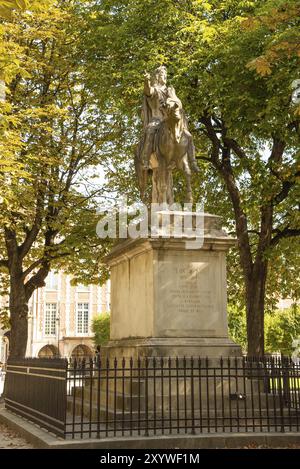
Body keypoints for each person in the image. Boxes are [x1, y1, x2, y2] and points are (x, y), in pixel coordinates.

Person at [140, 66, 199, 172]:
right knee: (150, 132)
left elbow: (177, 101)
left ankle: (192, 162)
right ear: (157, 76)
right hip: (156, 120)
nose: (165, 77)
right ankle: (145, 159)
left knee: (188, 136)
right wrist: (146, 81)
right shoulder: (154, 90)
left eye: (166, 75)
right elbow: (148, 91)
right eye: (163, 75)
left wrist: (174, 103)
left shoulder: (170, 90)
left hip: (169, 118)